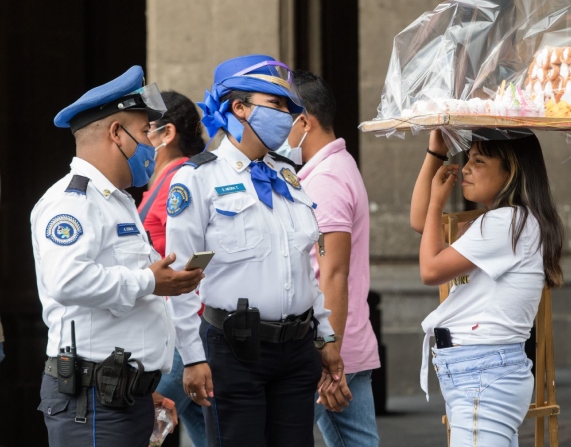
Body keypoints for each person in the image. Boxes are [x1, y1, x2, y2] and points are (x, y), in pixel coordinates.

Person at [166, 54, 351, 447]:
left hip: (297, 348)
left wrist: (327, 336)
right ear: (239, 108)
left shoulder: (288, 174)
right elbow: (179, 280)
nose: (288, 115)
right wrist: (193, 356)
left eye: (289, 105)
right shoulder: (198, 178)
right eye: (277, 104)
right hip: (234, 351)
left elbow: (304, 264)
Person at [30, 66, 204, 447]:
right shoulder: (73, 203)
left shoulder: (118, 201)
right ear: (116, 133)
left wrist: (143, 390)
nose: (152, 145)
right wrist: (151, 281)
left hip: (120, 395)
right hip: (92, 402)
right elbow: (67, 280)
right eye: (144, 133)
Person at [410, 129, 564, 447]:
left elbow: (430, 270)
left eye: (479, 160)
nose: (465, 168)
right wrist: (435, 153)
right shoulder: (507, 221)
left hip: (482, 371)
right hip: (482, 369)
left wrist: (438, 201)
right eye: (468, 158)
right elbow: (421, 224)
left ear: (512, 171)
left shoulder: (505, 223)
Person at [278, 70, 380, 446]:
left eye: (279, 113)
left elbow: (331, 273)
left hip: (330, 348)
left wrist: (328, 352)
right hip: (343, 344)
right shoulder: (332, 168)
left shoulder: (326, 180)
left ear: (304, 121)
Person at [137, 90, 207, 447]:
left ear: (167, 134)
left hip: (181, 329)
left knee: (139, 422)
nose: (136, 139)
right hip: (171, 325)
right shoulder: (161, 182)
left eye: (142, 128)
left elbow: (195, 255)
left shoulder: (178, 181)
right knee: (203, 426)